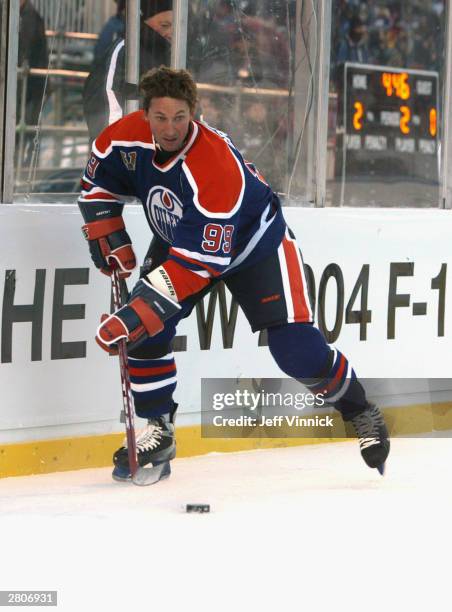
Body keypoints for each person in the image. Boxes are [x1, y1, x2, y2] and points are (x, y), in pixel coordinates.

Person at [78, 66, 390, 483]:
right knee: (147, 334)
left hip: (254, 246)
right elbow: (96, 187)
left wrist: (133, 313)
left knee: (295, 350)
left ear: (196, 113)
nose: (169, 129)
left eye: (180, 118)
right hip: (183, 239)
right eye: (160, 117)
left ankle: (361, 411)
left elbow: (198, 267)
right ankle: (158, 429)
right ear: (145, 113)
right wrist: (107, 231)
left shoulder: (214, 166)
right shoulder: (121, 137)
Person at [83, 0, 172, 141]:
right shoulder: (124, 51)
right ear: (144, 21)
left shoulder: (172, 55)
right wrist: (117, 153)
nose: (171, 32)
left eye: (176, 25)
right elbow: (104, 99)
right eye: (165, 25)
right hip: (129, 153)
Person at [17, 0, 49, 164]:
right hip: (25, 84)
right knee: (24, 126)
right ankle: (19, 161)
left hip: (30, 84)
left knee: (29, 127)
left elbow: (31, 51)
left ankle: (27, 163)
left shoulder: (32, 17)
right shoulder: (28, 16)